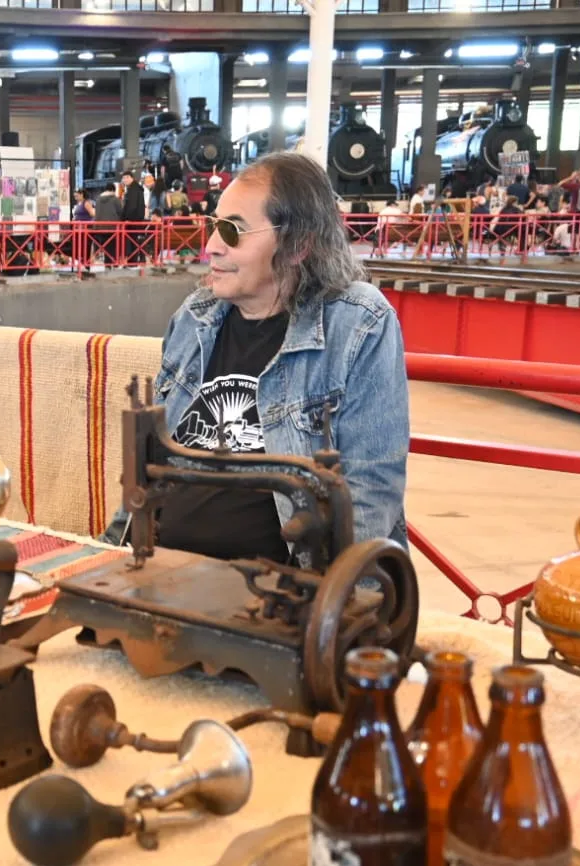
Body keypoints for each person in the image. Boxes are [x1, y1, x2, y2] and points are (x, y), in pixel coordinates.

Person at [104, 151, 407, 560]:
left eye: (233, 231)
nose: (211, 247)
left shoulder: (357, 323)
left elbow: (371, 489)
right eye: (214, 226)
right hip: (160, 569)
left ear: (298, 245)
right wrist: (107, 553)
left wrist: (325, 588)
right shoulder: (195, 316)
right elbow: (148, 470)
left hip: (282, 586)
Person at [119, 171, 146, 263]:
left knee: (131, 242)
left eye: (127, 177)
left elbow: (132, 206)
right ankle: (133, 262)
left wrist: (127, 219)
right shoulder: (136, 188)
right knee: (133, 241)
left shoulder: (133, 190)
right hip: (137, 220)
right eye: (123, 178)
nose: (125, 180)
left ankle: (132, 262)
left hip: (132, 221)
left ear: (132, 178)